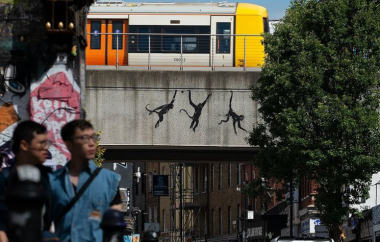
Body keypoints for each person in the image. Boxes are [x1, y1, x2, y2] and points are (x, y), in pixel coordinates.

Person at [49, 119, 121, 242]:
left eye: (93, 138)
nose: (92, 143)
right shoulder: (53, 181)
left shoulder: (110, 180)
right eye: (84, 138)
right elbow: (44, 223)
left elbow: (115, 227)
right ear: (69, 144)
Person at [0, 120, 52, 242]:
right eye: (41, 143)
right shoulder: (5, 178)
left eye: (47, 143)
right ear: (24, 145)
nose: (46, 148)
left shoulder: (49, 177)